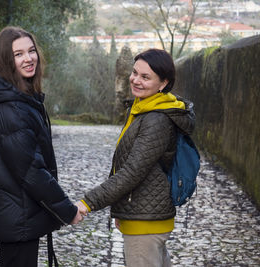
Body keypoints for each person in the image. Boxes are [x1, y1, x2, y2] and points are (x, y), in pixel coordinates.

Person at [0, 26, 83, 267]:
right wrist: (67, 210)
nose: (29, 58)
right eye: (18, 54)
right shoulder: (10, 108)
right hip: (16, 214)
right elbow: (30, 170)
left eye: (31, 51)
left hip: (18, 212)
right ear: (5, 59)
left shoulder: (19, 97)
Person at [76, 48, 196, 267]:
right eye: (134, 73)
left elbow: (132, 171)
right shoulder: (144, 108)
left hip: (146, 225)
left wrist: (88, 203)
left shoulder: (156, 119)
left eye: (145, 77)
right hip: (142, 217)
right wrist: (123, 209)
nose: (135, 80)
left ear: (163, 83)